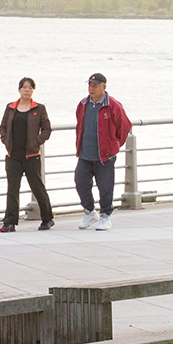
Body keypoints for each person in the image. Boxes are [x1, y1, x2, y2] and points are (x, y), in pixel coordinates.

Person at [74, 72, 132, 232]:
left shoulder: (112, 105)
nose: (91, 89)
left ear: (103, 87)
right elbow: (79, 124)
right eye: (89, 85)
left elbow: (125, 127)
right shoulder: (83, 104)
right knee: (80, 183)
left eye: (95, 85)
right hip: (85, 154)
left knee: (105, 187)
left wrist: (113, 146)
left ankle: (105, 215)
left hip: (105, 156)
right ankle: (90, 212)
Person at [0, 77, 55, 233]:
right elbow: (2, 127)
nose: (27, 90)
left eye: (30, 87)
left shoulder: (39, 108)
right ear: (19, 89)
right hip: (13, 155)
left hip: (32, 155)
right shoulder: (10, 108)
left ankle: (47, 218)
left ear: (33, 90)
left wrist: (37, 142)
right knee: (12, 189)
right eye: (24, 87)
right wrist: (6, 141)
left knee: (37, 188)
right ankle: (9, 222)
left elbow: (47, 129)